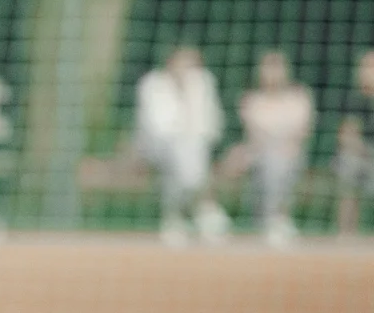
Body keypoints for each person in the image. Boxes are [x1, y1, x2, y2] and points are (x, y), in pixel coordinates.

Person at [135, 46, 226, 245]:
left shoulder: (203, 83)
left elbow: (209, 125)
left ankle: (175, 218)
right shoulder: (153, 83)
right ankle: (206, 209)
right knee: (181, 156)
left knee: (187, 159)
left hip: (193, 148)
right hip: (158, 147)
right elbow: (157, 128)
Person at [237, 50, 314, 247]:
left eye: (277, 68)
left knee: (279, 163)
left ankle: (275, 219)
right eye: (268, 68)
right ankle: (277, 219)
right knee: (272, 162)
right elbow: (254, 134)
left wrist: (286, 145)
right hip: (259, 152)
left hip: (292, 152)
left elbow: (303, 130)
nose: (272, 73)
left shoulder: (299, 96)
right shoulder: (252, 99)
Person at [336, 49, 374, 238]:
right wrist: (363, 151)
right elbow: (346, 135)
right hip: (361, 154)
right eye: (366, 66)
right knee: (349, 164)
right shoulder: (354, 98)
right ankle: (346, 233)